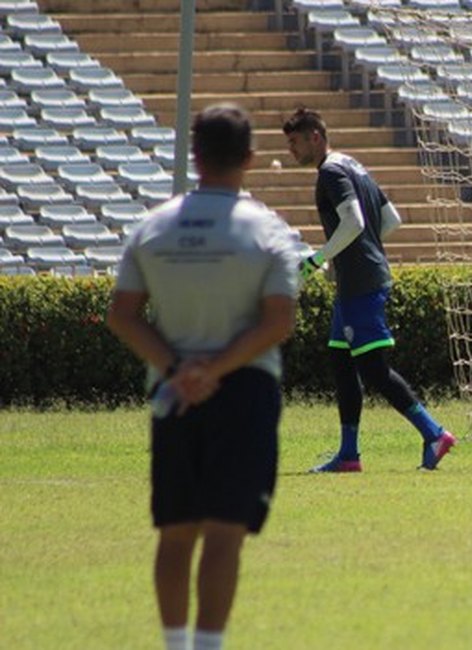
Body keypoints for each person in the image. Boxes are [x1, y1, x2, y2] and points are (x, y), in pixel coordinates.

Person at [106, 104, 300, 650]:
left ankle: (174, 645)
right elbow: (278, 321)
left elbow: (122, 315)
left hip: (172, 392)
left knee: (175, 531)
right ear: (250, 158)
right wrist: (213, 369)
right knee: (224, 533)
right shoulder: (268, 230)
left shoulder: (153, 226)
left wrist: (179, 369)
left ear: (194, 156)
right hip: (244, 391)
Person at [282, 107, 456, 472]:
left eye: (295, 142)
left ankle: (434, 433)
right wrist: (354, 254)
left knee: (374, 371)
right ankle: (348, 455)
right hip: (356, 280)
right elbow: (390, 219)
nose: (291, 151)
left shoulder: (331, 171)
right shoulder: (352, 164)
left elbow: (355, 221)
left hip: (361, 284)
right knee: (341, 362)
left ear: (316, 136)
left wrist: (317, 261)